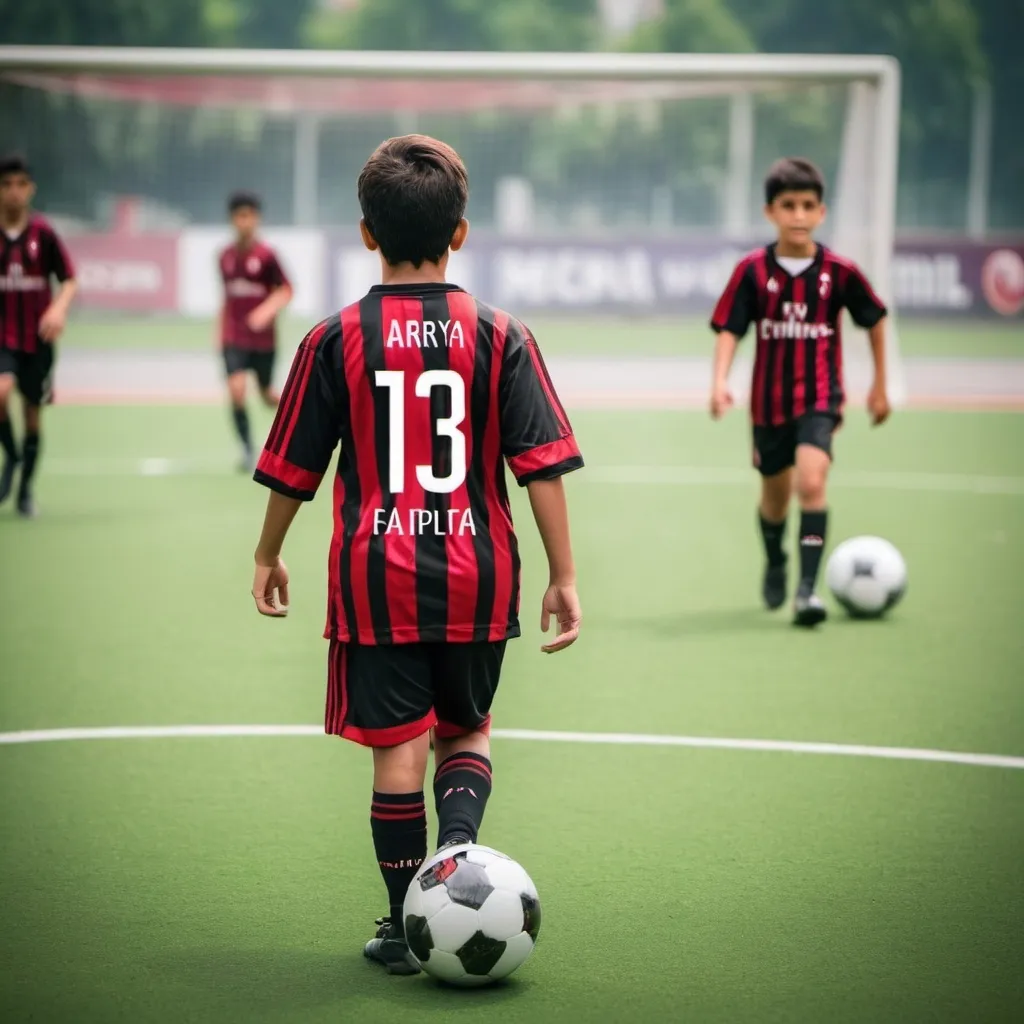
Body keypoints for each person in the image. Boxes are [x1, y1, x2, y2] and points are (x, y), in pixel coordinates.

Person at [248, 135, 584, 974]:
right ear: (460, 232)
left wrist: (268, 553)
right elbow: (539, 467)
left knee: (396, 750)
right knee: (465, 727)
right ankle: (459, 864)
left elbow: (295, 466)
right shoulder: (502, 333)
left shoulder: (334, 339)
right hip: (479, 574)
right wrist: (565, 575)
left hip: (376, 578)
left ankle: (405, 925)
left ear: (366, 233)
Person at [709, 157, 891, 626]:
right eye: (788, 205)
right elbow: (730, 329)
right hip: (768, 403)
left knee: (811, 482)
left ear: (821, 212)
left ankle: (807, 592)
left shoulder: (840, 272)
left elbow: (874, 318)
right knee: (774, 498)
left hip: (820, 397)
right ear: (771, 211)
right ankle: (776, 560)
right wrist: (719, 382)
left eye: (807, 205)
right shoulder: (751, 271)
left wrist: (879, 386)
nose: (798, 215)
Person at [0, 154, 77, 518]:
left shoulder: (43, 234)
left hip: (37, 340)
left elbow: (69, 280)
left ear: (31, 189)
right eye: (6, 185)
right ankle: (12, 457)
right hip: (2, 337)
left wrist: (58, 309)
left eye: (20, 185)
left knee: (32, 417)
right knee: (0, 393)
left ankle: (26, 491)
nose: (14, 192)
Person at [218, 192, 293, 471]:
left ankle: (303, 418)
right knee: (236, 390)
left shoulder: (266, 256)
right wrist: (220, 334)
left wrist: (266, 310)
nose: (243, 221)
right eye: (239, 216)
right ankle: (248, 450)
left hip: (263, 341)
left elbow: (286, 289)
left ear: (256, 219)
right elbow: (225, 299)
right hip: (234, 338)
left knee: (266, 396)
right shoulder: (224, 257)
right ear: (232, 220)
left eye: (248, 215)